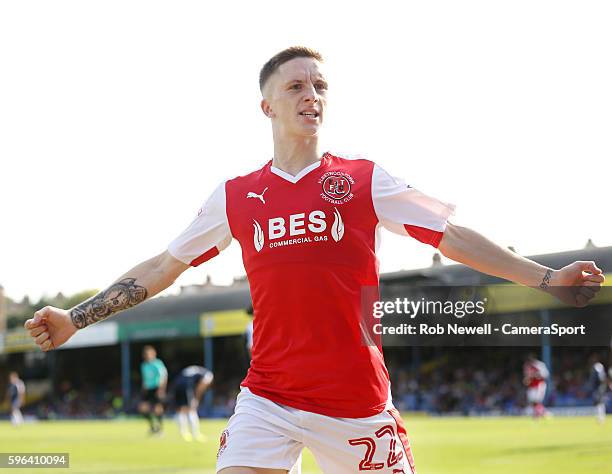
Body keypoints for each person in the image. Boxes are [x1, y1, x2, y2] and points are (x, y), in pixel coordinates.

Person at [24, 46, 604, 474]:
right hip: (269, 398)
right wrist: (77, 317)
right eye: (297, 86)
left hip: (356, 403)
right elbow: (161, 268)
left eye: (320, 86)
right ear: (266, 104)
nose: (312, 95)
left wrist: (547, 276)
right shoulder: (235, 196)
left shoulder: (364, 180)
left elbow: (450, 238)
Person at [173, 365, 214, 442]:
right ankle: (196, 434)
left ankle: (183, 433)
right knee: (191, 410)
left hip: (177, 383)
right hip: (186, 386)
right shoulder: (209, 375)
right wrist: (196, 399)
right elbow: (201, 387)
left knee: (180, 410)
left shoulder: (197, 370)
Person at [139, 345, 167, 435]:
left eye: (149, 354)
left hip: (156, 388)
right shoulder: (143, 365)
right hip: (148, 389)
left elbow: (163, 376)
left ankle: (160, 429)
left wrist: (161, 389)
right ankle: (153, 426)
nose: (147, 356)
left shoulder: (157, 363)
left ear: (153, 354)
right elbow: (145, 378)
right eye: (146, 354)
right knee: (143, 409)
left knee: (157, 409)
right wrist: (143, 388)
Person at [523, 353, 549, 419]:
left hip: (539, 385)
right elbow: (527, 377)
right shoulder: (527, 366)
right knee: (532, 402)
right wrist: (527, 380)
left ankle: (537, 415)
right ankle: (544, 413)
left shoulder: (539, 365)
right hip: (531, 386)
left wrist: (536, 375)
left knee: (537, 401)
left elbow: (545, 375)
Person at [589, 354, 608, 424]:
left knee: (600, 402)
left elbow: (601, 377)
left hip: (599, 388)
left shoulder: (598, 366)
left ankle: (601, 417)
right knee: (597, 402)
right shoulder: (595, 366)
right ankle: (599, 417)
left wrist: (602, 386)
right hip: (597, 388)